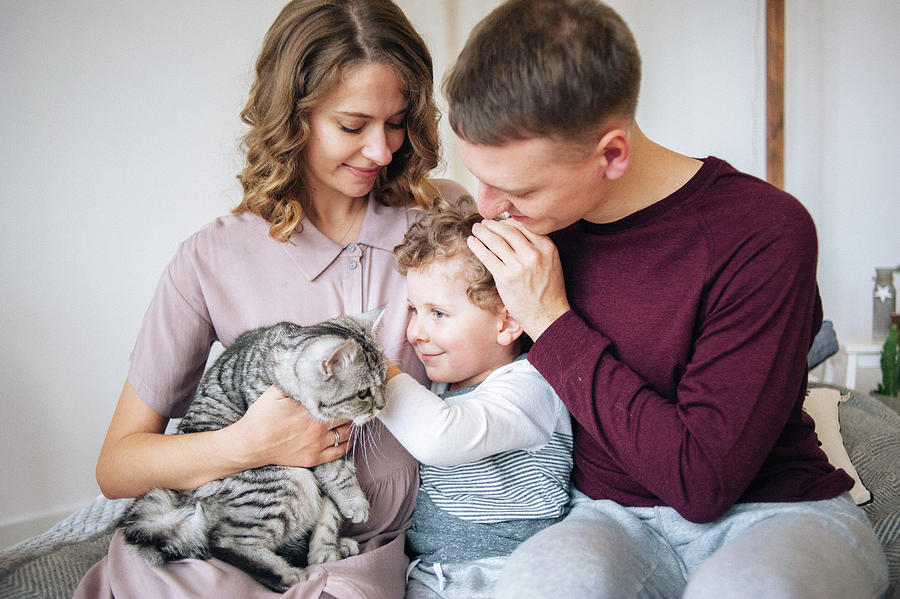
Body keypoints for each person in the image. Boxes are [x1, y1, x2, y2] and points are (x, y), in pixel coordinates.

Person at [441, 1, 891, 598]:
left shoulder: (763, 232)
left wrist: (551, 322)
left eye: (517, 188)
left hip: (776, 511)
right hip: (608, 518)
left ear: (611, 154)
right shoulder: (533, 229)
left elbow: (702, 482)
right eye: (480, 176)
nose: (491, 206)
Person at [74, 1, 465, 597]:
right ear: (294, 118)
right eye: (353, 126)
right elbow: (117, 466)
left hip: (349, 551)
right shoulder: (211, 258)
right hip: (221, 533)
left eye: (398, 122)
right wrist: (247, 444)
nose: (383, 152)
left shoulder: (440, 220)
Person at [374, 198, 573, 599]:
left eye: (439, 314)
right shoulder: (446, 383)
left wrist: (373, 370)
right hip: (434, 574)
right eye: (414, 310)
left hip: (513, 571)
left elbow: (442, 438)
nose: (416, 332)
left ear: (508, 321)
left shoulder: (531, 385)